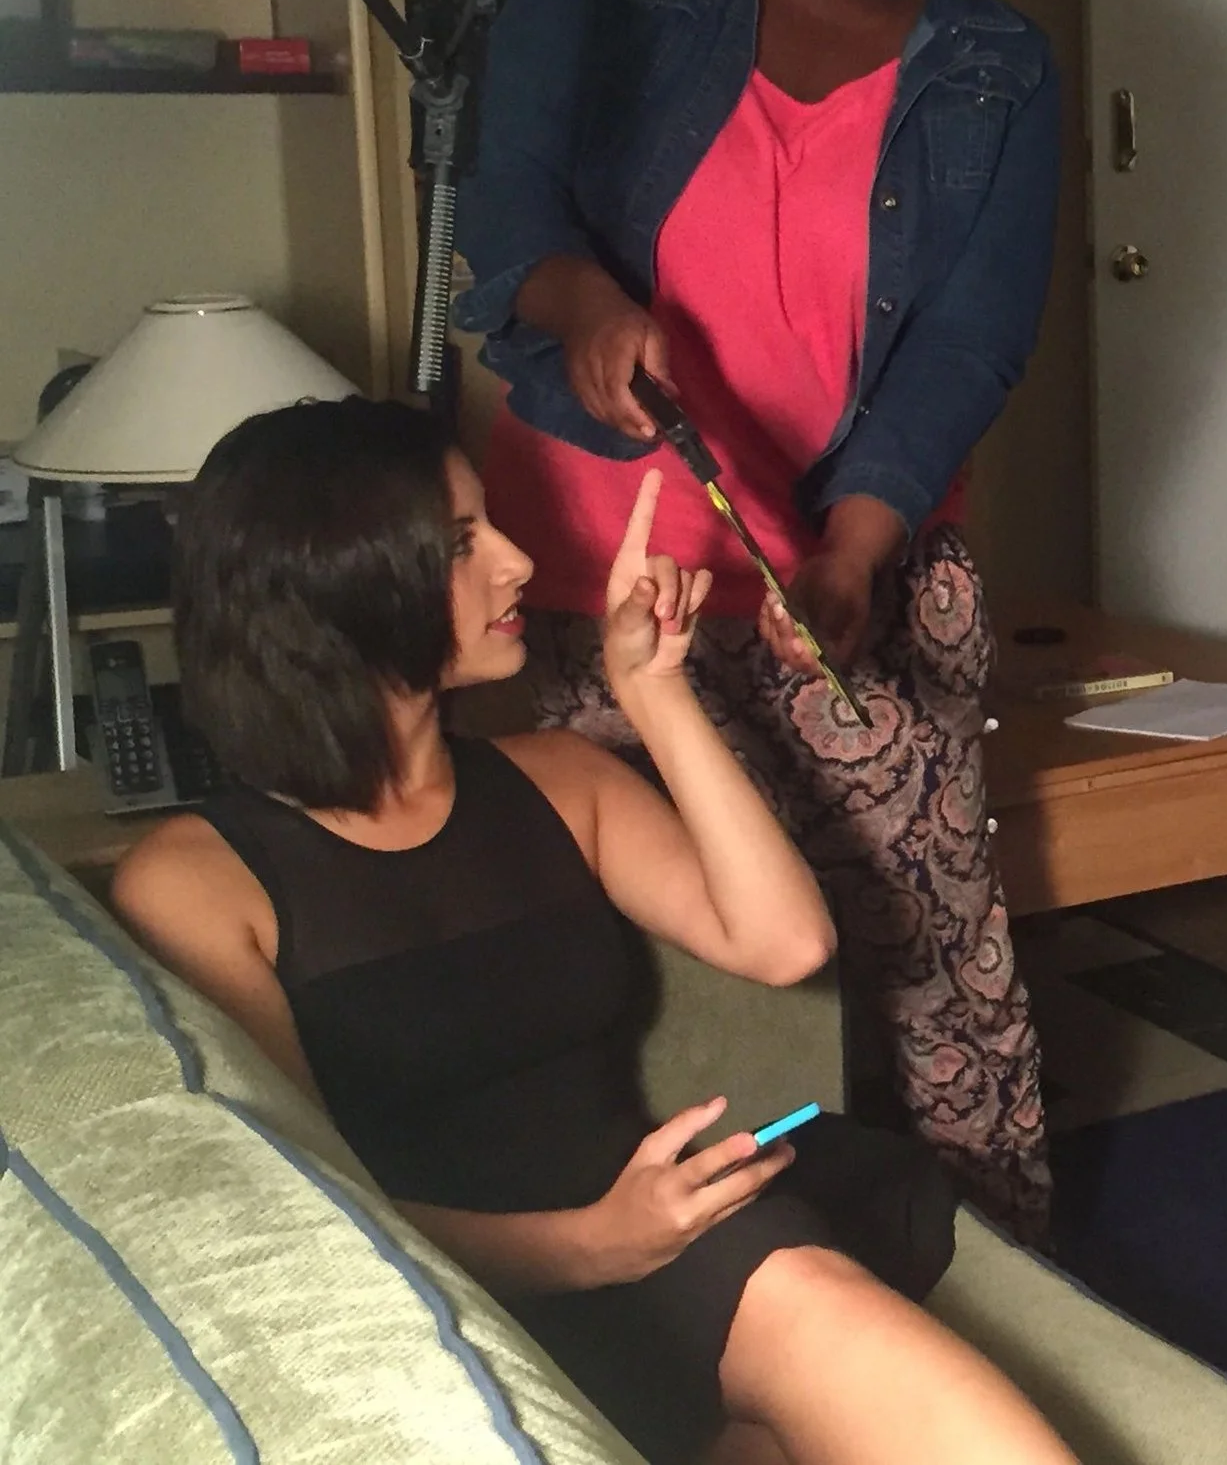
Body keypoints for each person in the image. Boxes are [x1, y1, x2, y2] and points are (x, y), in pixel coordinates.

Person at [110, 399, 1078, 1465]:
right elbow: (292, 1204)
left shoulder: (559, 777)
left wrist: (653, 690)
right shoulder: (197, 883)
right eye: (463, 543)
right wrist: (584, 1251)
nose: (522, 564)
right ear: (337, 582)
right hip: (440, 1298)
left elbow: (783, 943)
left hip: (665, 1238)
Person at [454, 0, 1063, 1239]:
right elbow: (504, 187)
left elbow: (973, 337)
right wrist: (583, 307)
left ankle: (984, 1268)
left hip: (844, 564)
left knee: (923, 949)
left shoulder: (999, 68)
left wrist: (861, 536)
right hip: (602, 570)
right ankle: (704, 1282)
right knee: (658, 970)